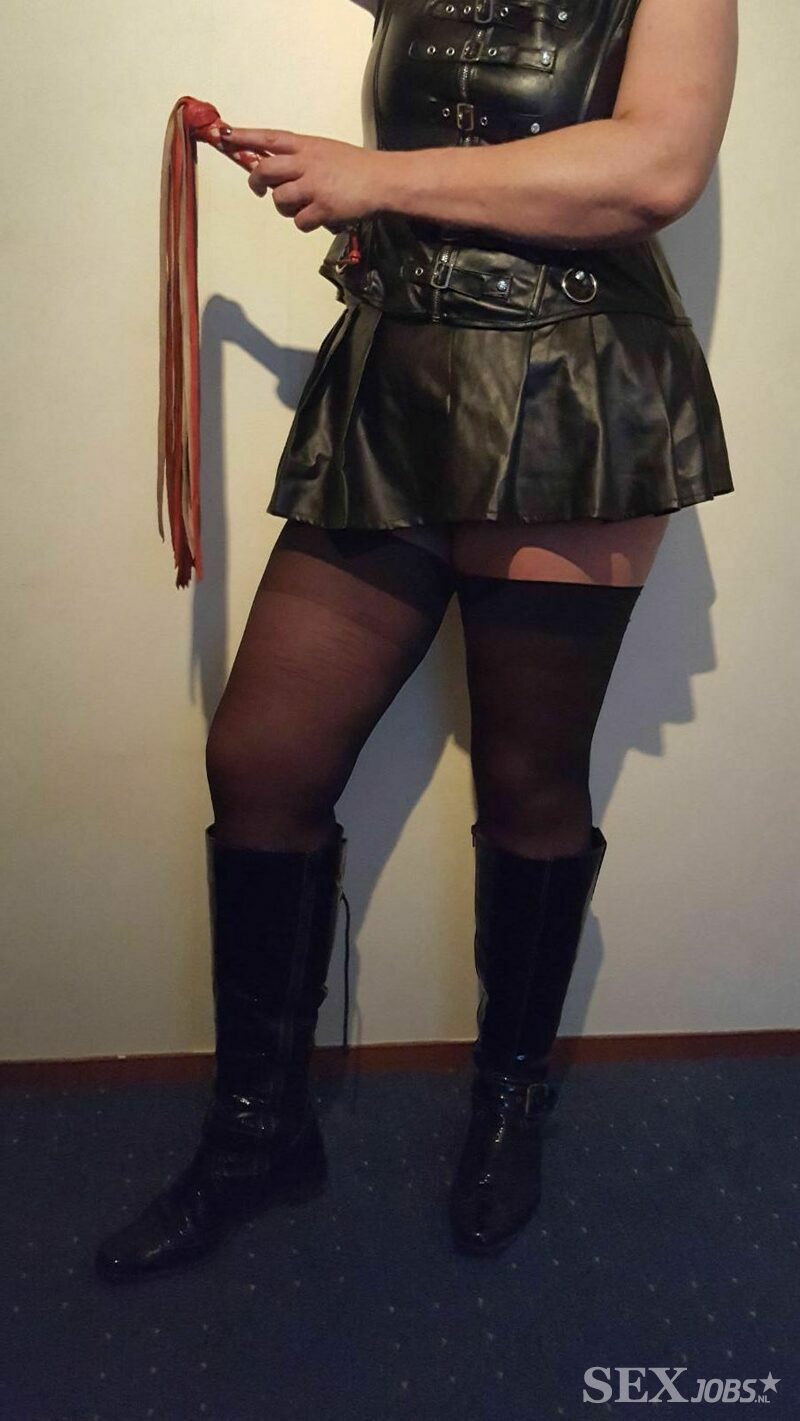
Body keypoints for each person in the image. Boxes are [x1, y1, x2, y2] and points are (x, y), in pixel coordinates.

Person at [95, 0, 738, 1279]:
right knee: (263, 759)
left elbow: (654, 167)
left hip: (576, 379)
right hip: (395, 375)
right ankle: (258, 1129)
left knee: (527, 779)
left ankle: (507, 1103)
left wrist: (374, 178)